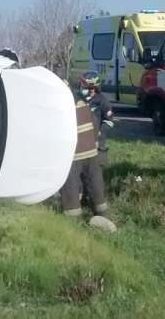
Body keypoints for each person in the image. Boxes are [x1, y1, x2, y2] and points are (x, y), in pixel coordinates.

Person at [58, 82, 115, 231]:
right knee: (95, 181)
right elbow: (95, 123)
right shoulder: (81, 102)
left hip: (74, 153)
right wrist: (94, 143)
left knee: (70, 184)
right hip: (91, 150)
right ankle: (102, 214)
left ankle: (74, 221)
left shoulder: (60, 104)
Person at [79, 71, 114, 168]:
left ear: (93, 88)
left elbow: (109, 120)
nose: (82, 88)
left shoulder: (101, 101)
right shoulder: (79, 99)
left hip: (97, 140)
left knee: (97, 166)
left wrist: (99, 131)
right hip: (81, 139)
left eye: (85, 86)